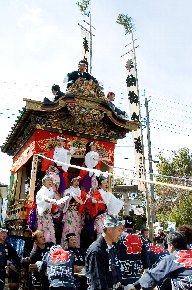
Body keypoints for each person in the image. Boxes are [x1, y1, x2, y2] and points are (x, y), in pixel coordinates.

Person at [85, 215, 125, 290]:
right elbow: (98, 282)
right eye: (119, 230)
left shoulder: (114, 246)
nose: (121, 233)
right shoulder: (96, 251)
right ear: (109, 230)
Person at [117, 217, 149, 288]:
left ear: (123, 226)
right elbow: (145, 258)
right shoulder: (140, 239)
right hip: (136, 275)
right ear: (133, 227)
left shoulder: (119, 238)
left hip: (122, 275)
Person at [61, 176, 87, 248]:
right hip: (69, 213)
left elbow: (84, 202)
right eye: (75, 181)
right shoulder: (67, 191)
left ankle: (76, 248)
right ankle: (66, 247)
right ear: (71, 182)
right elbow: (63, 202)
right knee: (68, 229)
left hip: (77, 214)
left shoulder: (81, 192)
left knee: (76, 231)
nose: (76, 182)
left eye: (77, 181)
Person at [36, 175, 57, 243]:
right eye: (48, 180)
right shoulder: (41, 191)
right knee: (43, 231)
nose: (50, 181)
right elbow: (45, 198)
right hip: (42, 214)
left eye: (51, 180)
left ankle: (50, 245)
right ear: (43, 182)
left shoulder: (51, 191)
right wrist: (51, 200)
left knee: (50, 231)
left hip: (48, 214)